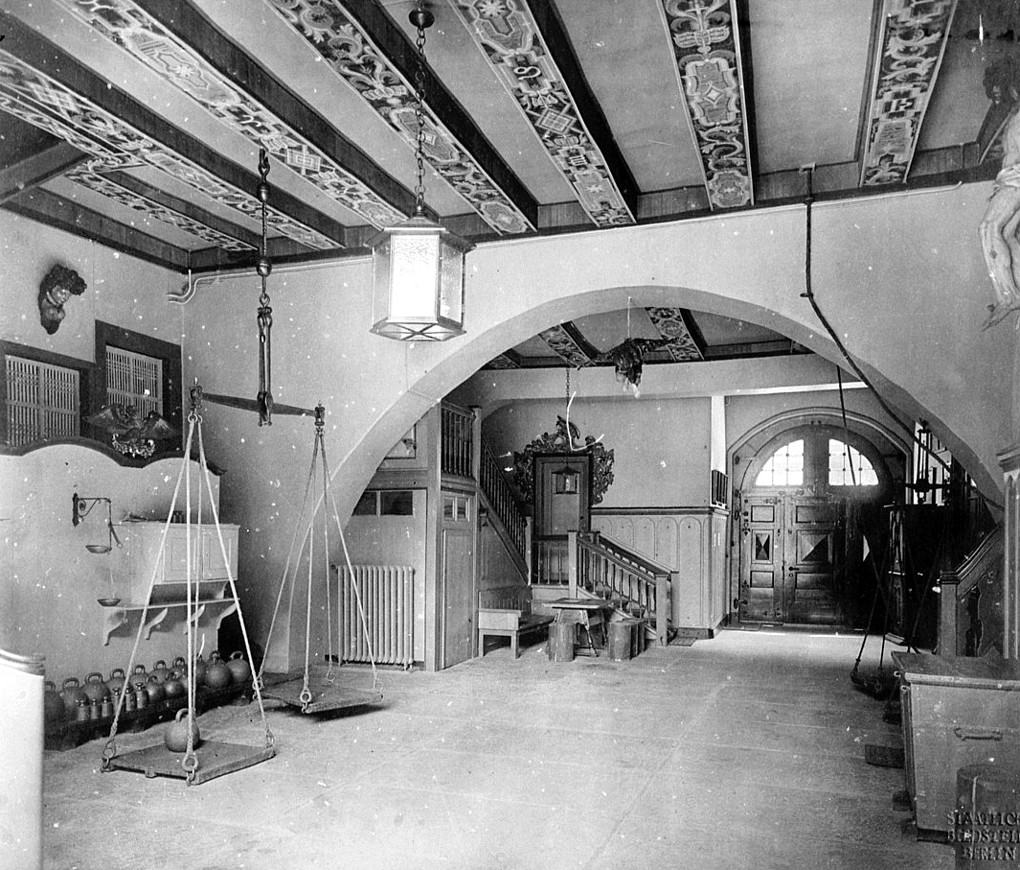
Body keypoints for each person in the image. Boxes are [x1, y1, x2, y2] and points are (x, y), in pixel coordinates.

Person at [37, 264, 87, 334]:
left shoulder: (45, 296)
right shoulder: (56, 306)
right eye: (54, 315)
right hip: (62, 283)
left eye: (51, 315)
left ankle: (68, 279)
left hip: (57, 281)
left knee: (68, 280)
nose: (53, 313)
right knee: (78, 287)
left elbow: (48, 284)